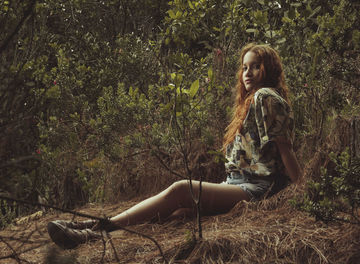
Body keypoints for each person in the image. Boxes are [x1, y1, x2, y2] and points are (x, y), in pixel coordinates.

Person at [47, 43, 302, 249]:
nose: (247, 73)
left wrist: (302, 192)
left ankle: (97, 229)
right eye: (245, 67)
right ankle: (90, 229)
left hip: (258, 188)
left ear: (269, 69)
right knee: (179, 211)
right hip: (238, 183)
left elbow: (284, 149)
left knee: (182, 189)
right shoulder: (252, 102)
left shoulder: (265, 97)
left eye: (255, 67)